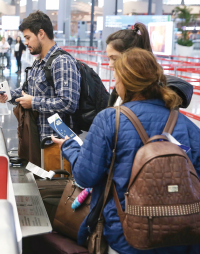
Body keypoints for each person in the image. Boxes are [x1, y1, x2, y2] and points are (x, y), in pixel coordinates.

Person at [52, 48, 200, 254]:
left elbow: (86, 176)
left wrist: (70, 147)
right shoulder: (187, 125)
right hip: (182, 237)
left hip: (126, 235)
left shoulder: (110, 120)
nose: (114, 84)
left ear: (127, 82)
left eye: (116, 78)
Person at [0, 10, 81, 173]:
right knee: (40, 190)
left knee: (54, 191)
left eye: (28, 37)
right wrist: (9, 95)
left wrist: (33, 102)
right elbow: (26, 90)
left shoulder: (62, 62)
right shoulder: (39, 62)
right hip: (37, 140)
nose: (25, 42)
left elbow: (69, 103)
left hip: (56, 143)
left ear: (41, 33)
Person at [106, 22, 193, 108]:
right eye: (109, 58)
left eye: (114, 58)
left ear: (133, 56)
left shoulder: (157, 93)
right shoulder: (122, 85)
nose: (110, 64)